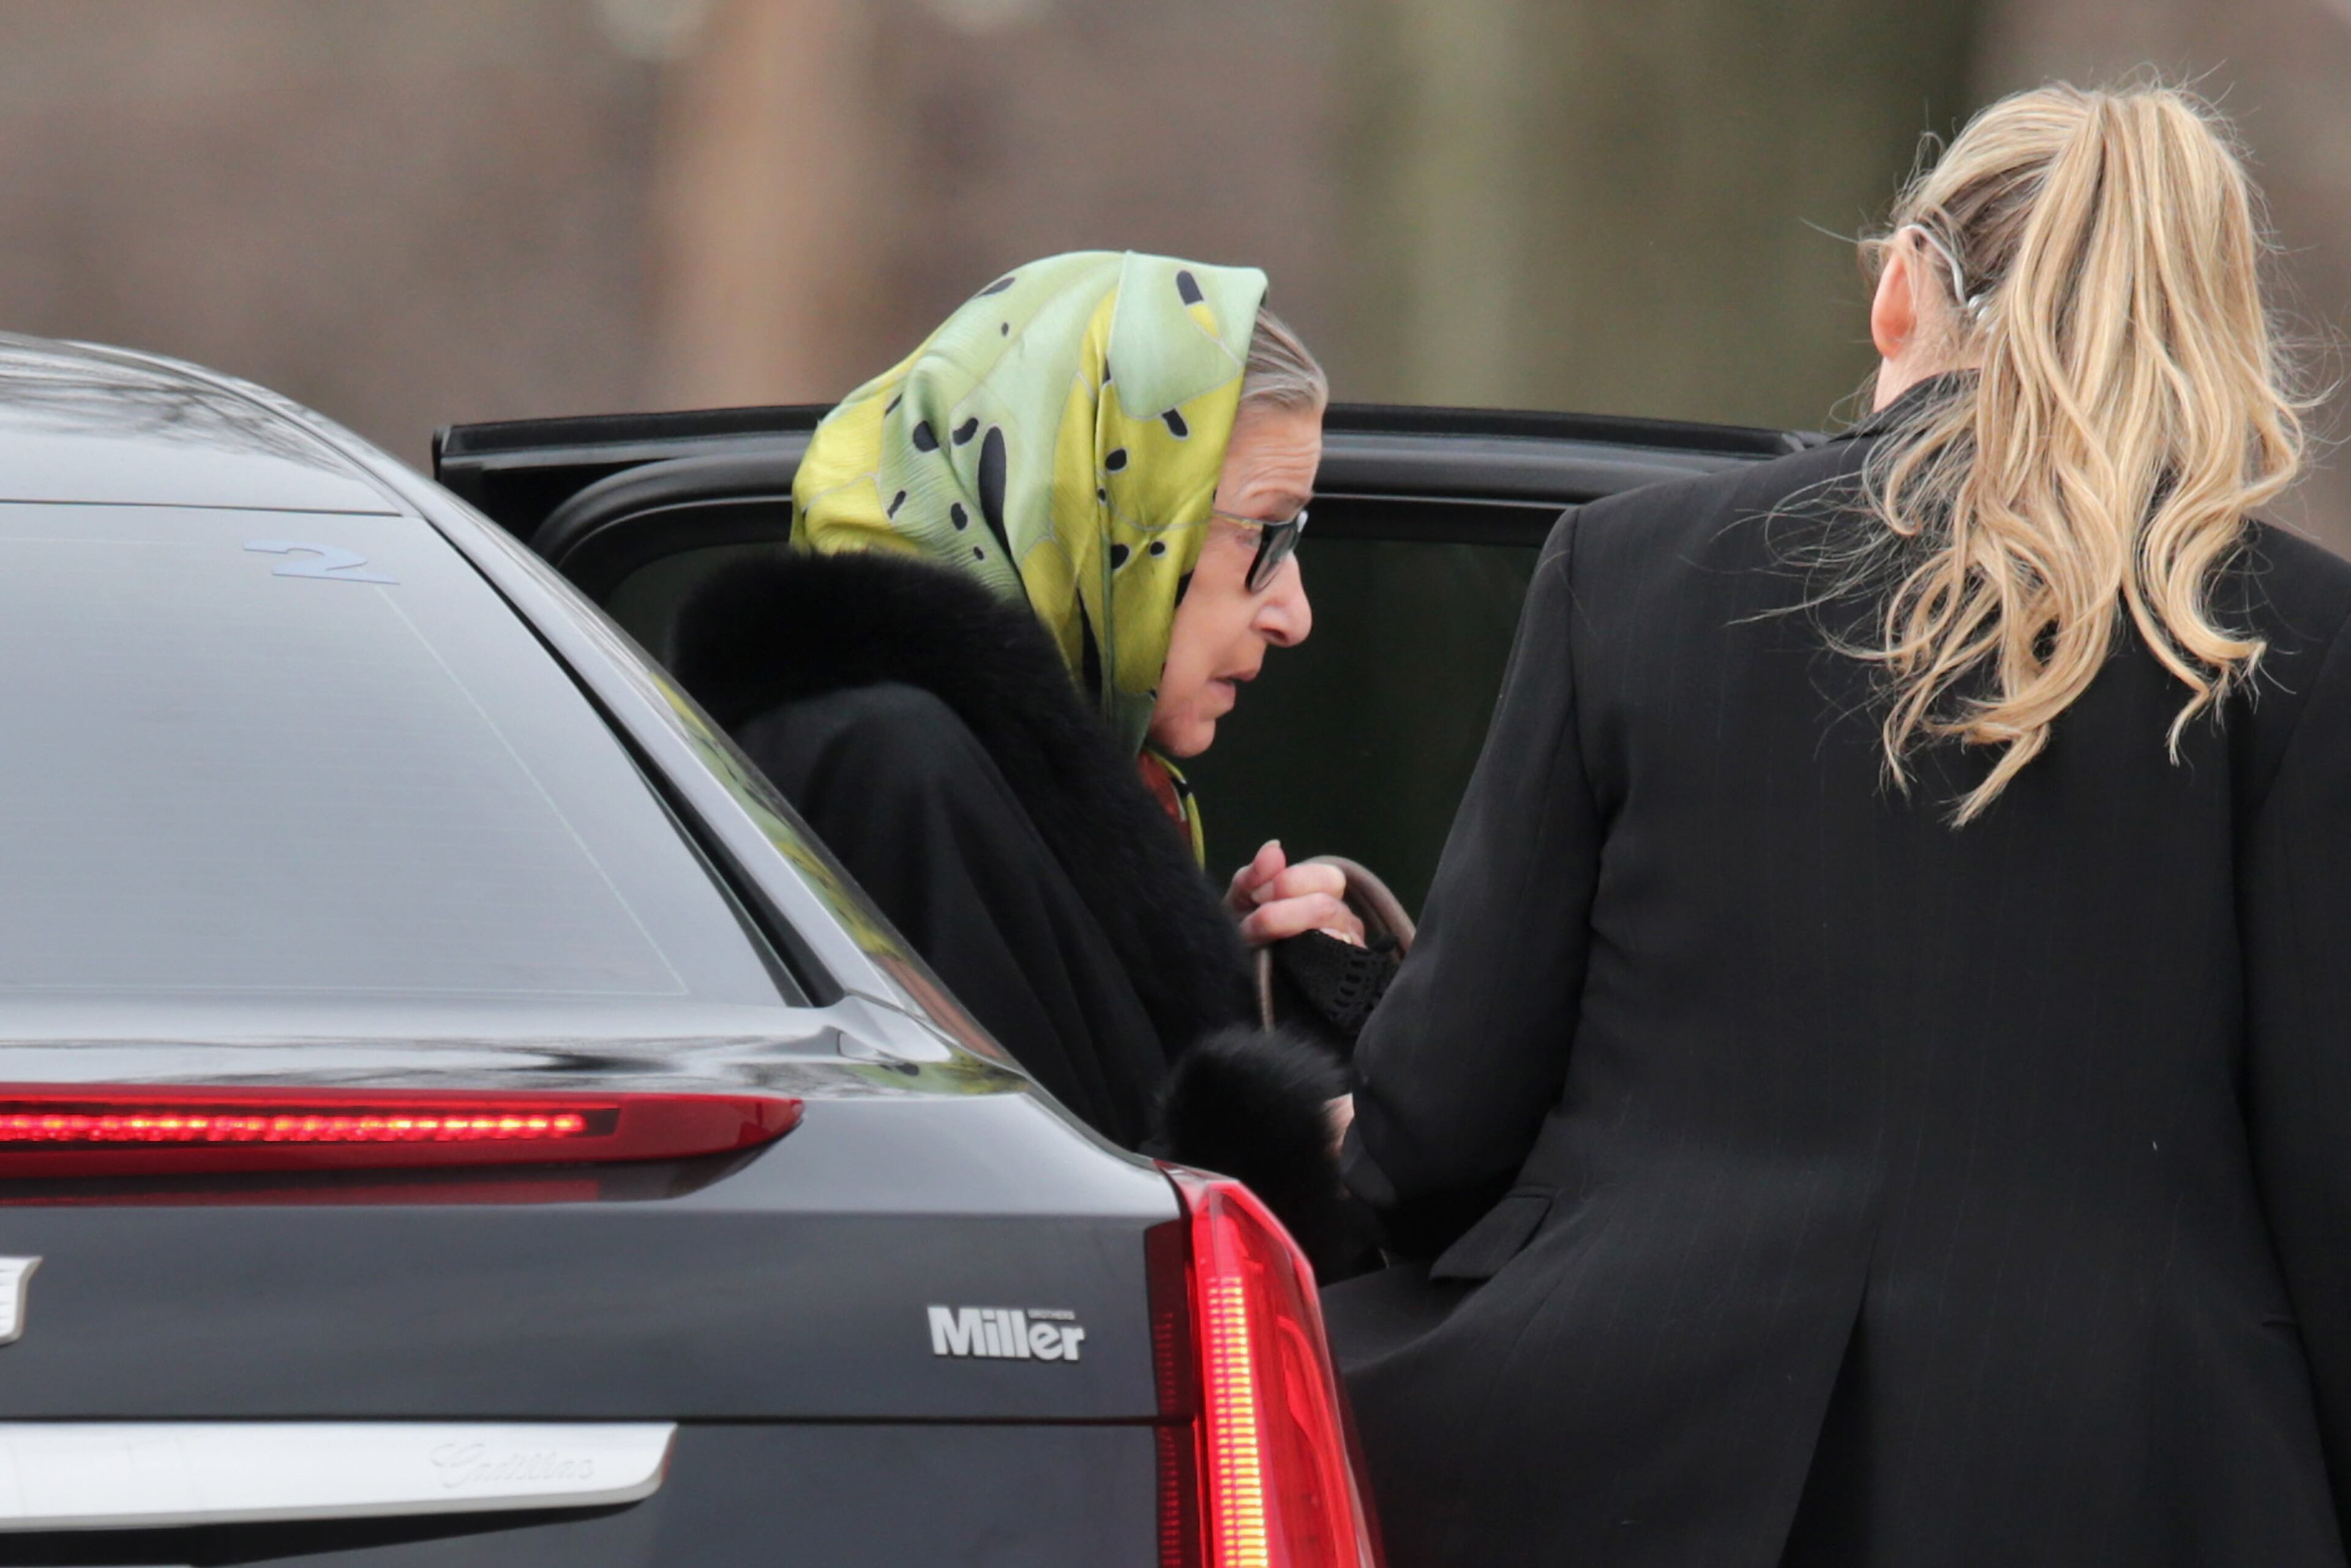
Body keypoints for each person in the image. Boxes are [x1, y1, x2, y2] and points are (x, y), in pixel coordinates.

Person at [1324, 83, 2349, 1564]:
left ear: (1901, 288)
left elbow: (1437, 1124)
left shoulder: (1628, 571)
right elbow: (2326, 1172)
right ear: (2199, 320)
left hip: (1635, 1451)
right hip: (2127, 1474)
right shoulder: (2288, 646)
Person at [674, 251, 1362, 1225]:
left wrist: (1279, 1012)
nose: (1294, 614)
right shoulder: (894, 770)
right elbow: (1028, 1232)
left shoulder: (1022, 780)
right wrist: (1307, 1141)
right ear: (1108, 504)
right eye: (1267, 535)